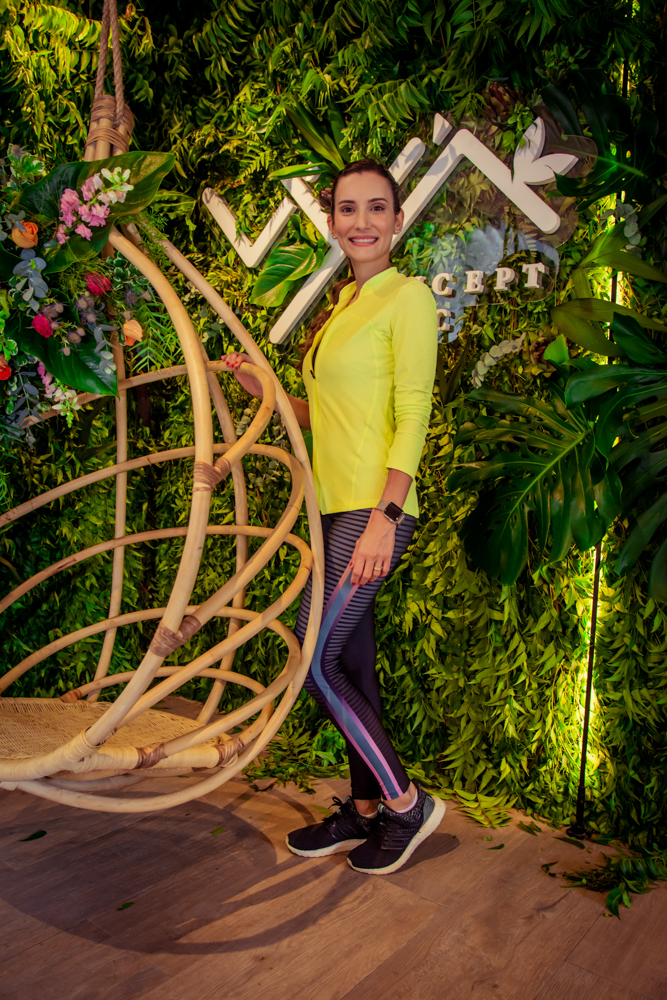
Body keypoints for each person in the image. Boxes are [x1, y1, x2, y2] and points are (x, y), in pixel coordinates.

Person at [222, 158, 443, 875]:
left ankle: (406, 804)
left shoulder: (407, 297)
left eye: (376, 208)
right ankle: (365, 811)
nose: (361, 221)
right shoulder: (344, 305)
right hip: (331, 504)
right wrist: (262, 387)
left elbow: (413, 414)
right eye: (348, 209)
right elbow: (327, 418)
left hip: (372, 509)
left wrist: (386, 515)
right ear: (331, 222)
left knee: (313, 659)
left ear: (398, 220)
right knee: (350, 663)